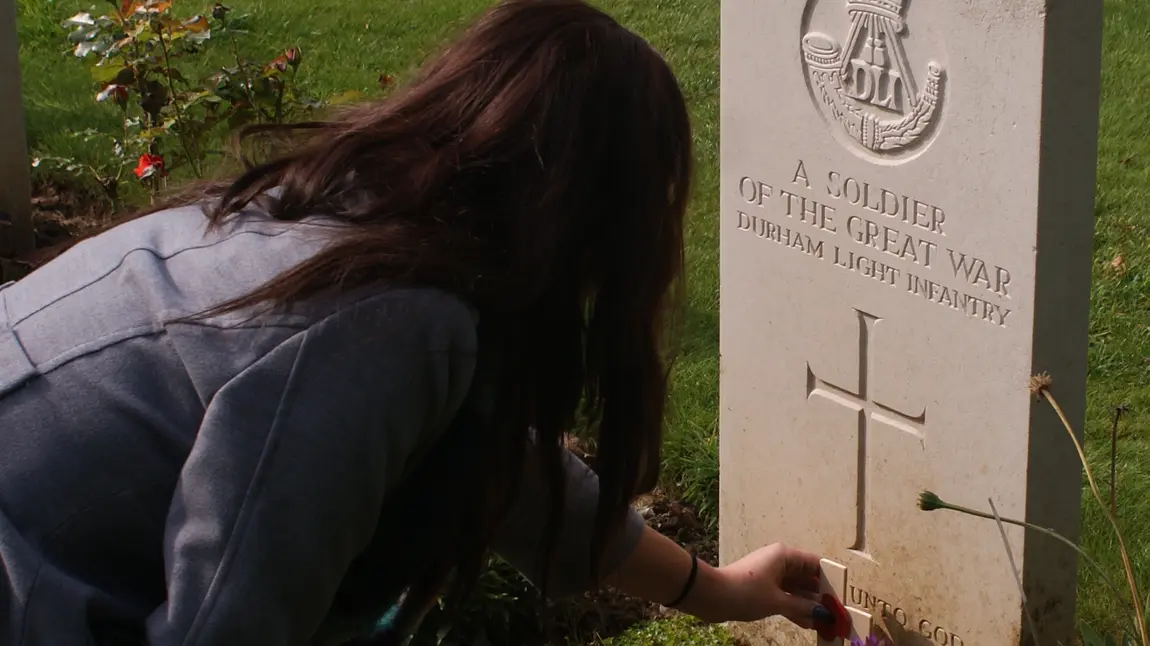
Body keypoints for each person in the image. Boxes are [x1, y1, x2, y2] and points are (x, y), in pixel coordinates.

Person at [0, 1, 838, 644]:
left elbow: (505, 467)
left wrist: (714, 589)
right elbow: (230, 622)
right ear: (597, 215)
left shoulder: (362, 227)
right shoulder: (379, 324)